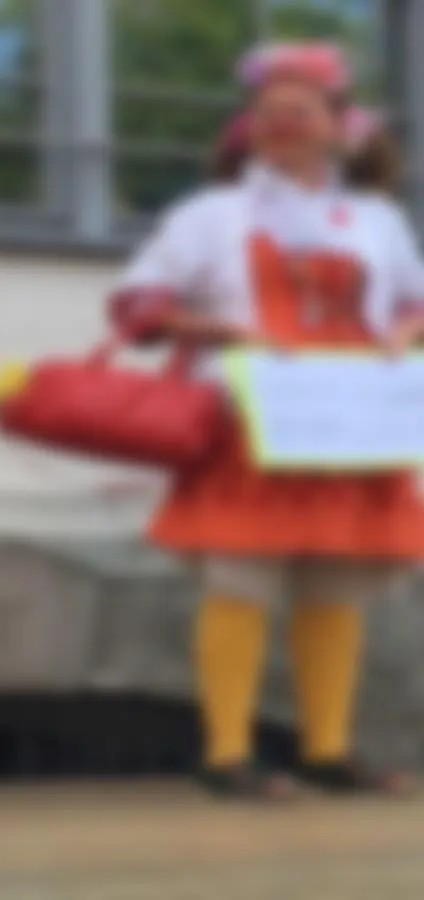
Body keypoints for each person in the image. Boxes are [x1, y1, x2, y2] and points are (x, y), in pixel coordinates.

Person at [108, 42, 424, 799]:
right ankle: (225, 753)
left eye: (301, 110)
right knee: (240, 576)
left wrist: (400, 336)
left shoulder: (372, 219)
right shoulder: (211, 218)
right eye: (271, 112)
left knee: (335, 581)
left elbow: (413, 302)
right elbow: (140, 305)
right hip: (248, 416)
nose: (285, 124)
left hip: (349, 414)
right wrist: (223, 331)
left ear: (336, 125)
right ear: (250, 128)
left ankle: (325, 748)